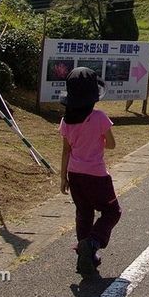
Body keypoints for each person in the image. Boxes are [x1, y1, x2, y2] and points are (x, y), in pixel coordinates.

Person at [59, 67, 121, 278]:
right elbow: (111, 145)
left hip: (75, 175)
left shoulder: (66, 121)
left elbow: (66, 150)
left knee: (84, 214)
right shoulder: (99, 118)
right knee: (112, 212)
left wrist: (62, 177)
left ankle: (84, 258)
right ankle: (92, 244)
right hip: (96, 175)